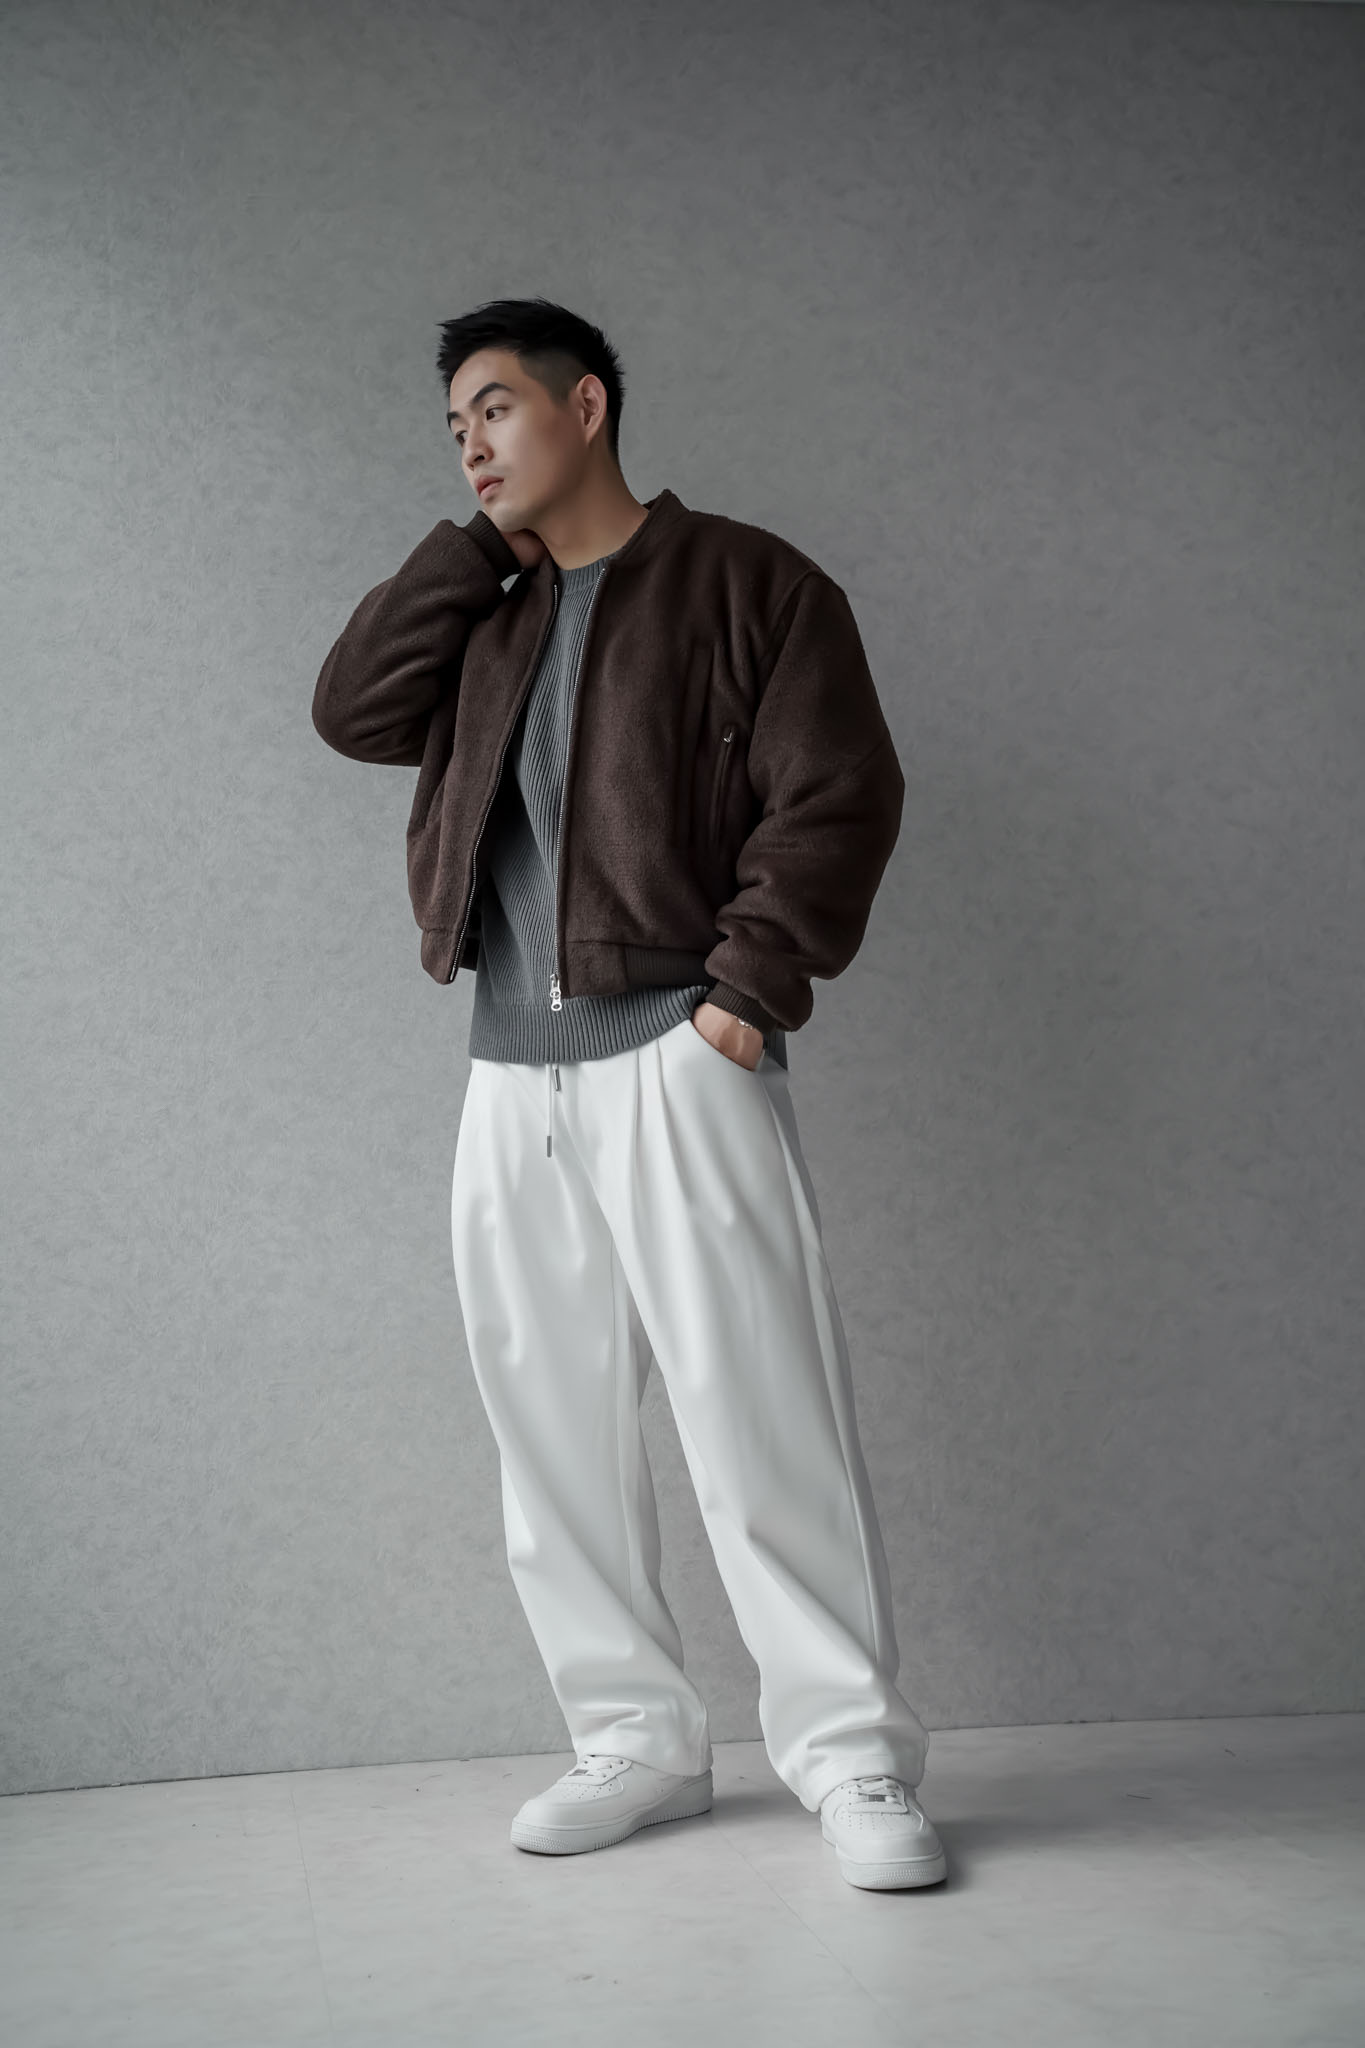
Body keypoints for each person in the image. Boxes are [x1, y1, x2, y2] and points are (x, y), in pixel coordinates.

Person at [311, 297, 946, 1891]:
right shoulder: (489, 613)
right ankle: (635, 1741)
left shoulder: (748, 582)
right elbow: (352, 710)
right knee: (551, 1443)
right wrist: (474, 553)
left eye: (494, 409)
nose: (469, 444)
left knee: (762, 1420)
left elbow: (838, 795)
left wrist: (743, 997)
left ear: (584, 405)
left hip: (678, 1048)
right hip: (508, 1075)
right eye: (452, 426)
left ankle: (850, 1758)